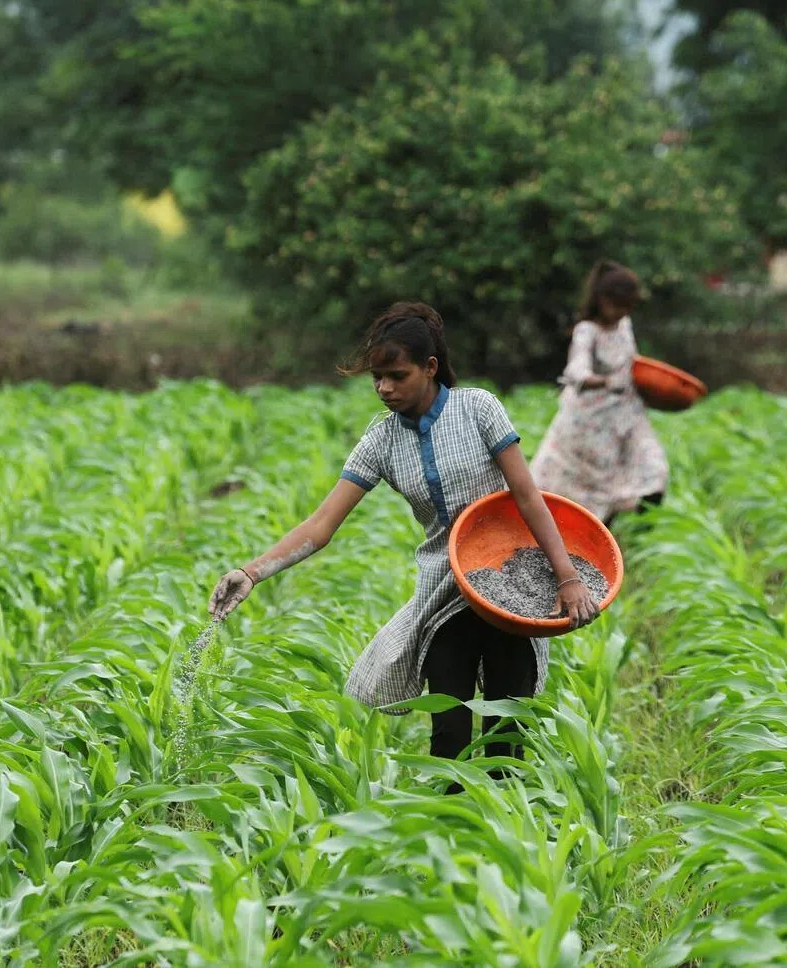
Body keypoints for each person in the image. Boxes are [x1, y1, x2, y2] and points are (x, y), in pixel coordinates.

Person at [207, 302, 598, 781]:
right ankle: (447, 836)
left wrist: (568, 577)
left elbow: (528, 498)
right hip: (443, 592)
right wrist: (251, 573)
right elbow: (320, 526)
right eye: (377, 378)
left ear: (430, 368)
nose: (384, 388)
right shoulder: (381, 441)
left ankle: (503, 838)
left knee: (505, 733)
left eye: (397, 375)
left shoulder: (479, 409)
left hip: (510, 587)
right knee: (449, 731)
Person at [531, 260, 668, 526]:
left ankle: (636, 526)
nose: (621, 312)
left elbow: (632, 361)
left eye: (628, 306)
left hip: (625, 416)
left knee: (653, 468)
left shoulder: (625, 325)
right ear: (601, 299)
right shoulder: (587, 331)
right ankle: (594, 536)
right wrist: (605, 382)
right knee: (587, 489)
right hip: (589, 425)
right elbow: (577, 372)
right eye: (617, 306)